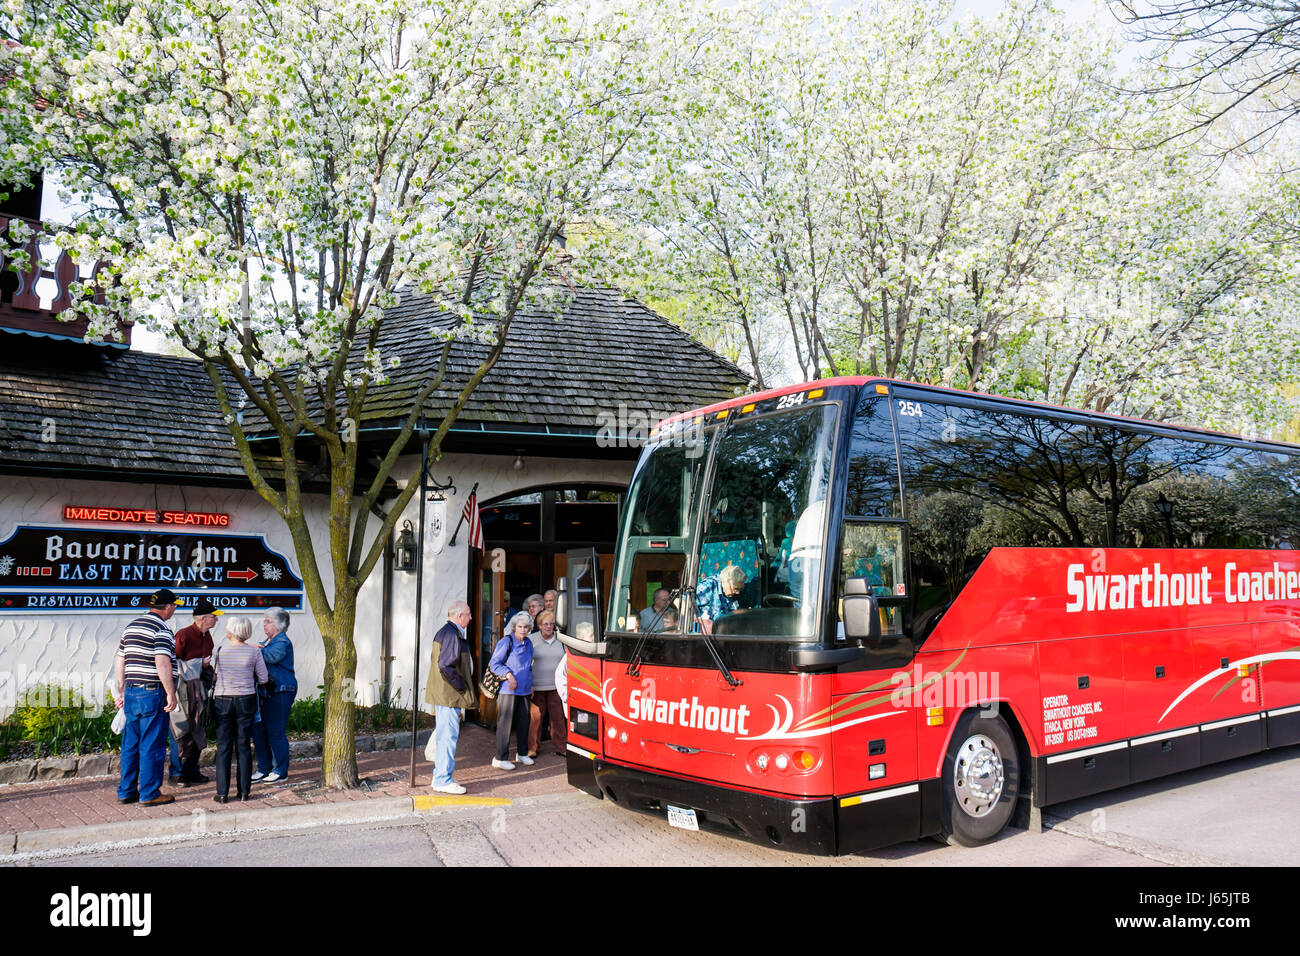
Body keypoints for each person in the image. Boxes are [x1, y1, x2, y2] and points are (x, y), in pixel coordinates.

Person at [114, 588, 182, 806]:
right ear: (168, 607)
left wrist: (122, 689)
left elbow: (120, 659)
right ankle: (150, 793)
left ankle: (126, 790)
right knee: (152, 744)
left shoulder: (132, 626)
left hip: (133, 690)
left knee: (131, 744)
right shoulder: (162, 628)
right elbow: (162, 661)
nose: (174, 610)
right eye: (174, 606)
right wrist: (171, 693)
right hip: (152, 691)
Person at [210, 616, 267, 803]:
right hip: (246, 700)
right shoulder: (254, 653)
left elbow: (213, 674)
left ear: (229, 631)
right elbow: (264, 678)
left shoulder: (218, 651)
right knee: (243, 746)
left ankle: (222, 793)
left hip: (223, 700)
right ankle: (244, 792)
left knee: (224, 746)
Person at [425, 601, 477, 794]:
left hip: (445, 695)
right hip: (449, 695)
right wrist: (461, 687)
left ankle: (440, 775)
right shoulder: (451, 634)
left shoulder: (447, 632)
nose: (471, 618)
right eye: (469, 614)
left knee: (444, 735)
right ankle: (442, 779)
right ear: (459, 615)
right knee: (447, 736)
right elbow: (446, 666)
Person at [171, 596, 221, 786]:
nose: (216, 620)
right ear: (201, 618)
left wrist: (211, 673)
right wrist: (201, 663)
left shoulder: (207, 636)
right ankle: (177, 774)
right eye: (213, 617)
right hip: (182, 691)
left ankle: (192, 771)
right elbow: (172, 662)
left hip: (200, 690)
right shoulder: (183, 635)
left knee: (198, 730)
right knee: (181, 730)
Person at [252, 606, 296, 783]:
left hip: (281, 691)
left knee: (275, 731)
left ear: (279, 625)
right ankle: (264, 768)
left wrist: (253, 650)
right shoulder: (266, 641)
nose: (264, 624)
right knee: (259, 730)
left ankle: (280, 771)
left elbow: (270, 657)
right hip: (265, 692)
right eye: (264, 621)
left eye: (268, 621)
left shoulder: (282, 642)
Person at [489, 612, 534, 770]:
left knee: (524, 723)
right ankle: (500, 758)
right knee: (505, 724)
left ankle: (522, 753)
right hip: (508, 690)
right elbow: (494, 664)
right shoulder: (506, 641)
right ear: (514, 627)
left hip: (525, 690)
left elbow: (528, 666)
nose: (523, 629)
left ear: (529, 628)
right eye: (520, 627)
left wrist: (531, 684)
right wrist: (509, 675)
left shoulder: (528, 643)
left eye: (526, 627)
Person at [528, 611, 567, 758]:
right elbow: (526, 663)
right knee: (535, 718)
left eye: (551, 624)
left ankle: (561, 747)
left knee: (558, 718)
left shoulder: (561, 640)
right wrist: (529, 683)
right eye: (545, 624)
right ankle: (532, 748)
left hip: (556, 686)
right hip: (536, 686)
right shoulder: (531, 639)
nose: (549, 627)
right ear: (539, 626)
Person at [695, 564, 748, 636]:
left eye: (740, 589)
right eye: (736, 589)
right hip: (706, 637)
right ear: (726, 582)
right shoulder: (709, 586)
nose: (738, 593)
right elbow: (683, 601)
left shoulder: (730, 593)